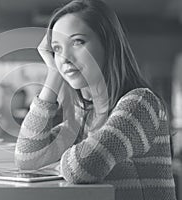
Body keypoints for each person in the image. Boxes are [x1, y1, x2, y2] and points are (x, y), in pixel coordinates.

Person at [14, 0, 177, 200]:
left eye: (77, 42)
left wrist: (59, 162)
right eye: (57, 49)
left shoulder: (140, 104)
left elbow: (81, 167)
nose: (65, 58)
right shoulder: (85, 116)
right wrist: (54, 73)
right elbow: (27, 159)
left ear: (108, 44)